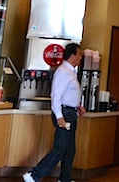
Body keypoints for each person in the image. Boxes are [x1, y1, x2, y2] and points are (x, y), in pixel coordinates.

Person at [23, 43, 85, 182]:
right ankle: (34, 175)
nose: (80, 57)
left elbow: (68, 94)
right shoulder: (63, 72)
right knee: (60, 148)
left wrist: (78, 106)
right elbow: (56, 96)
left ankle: (65, 179)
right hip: (64, 113)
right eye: (79, 54)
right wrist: (59, 117)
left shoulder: (71, 72)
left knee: (69, 149)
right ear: (72, 56)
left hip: (71, 112)